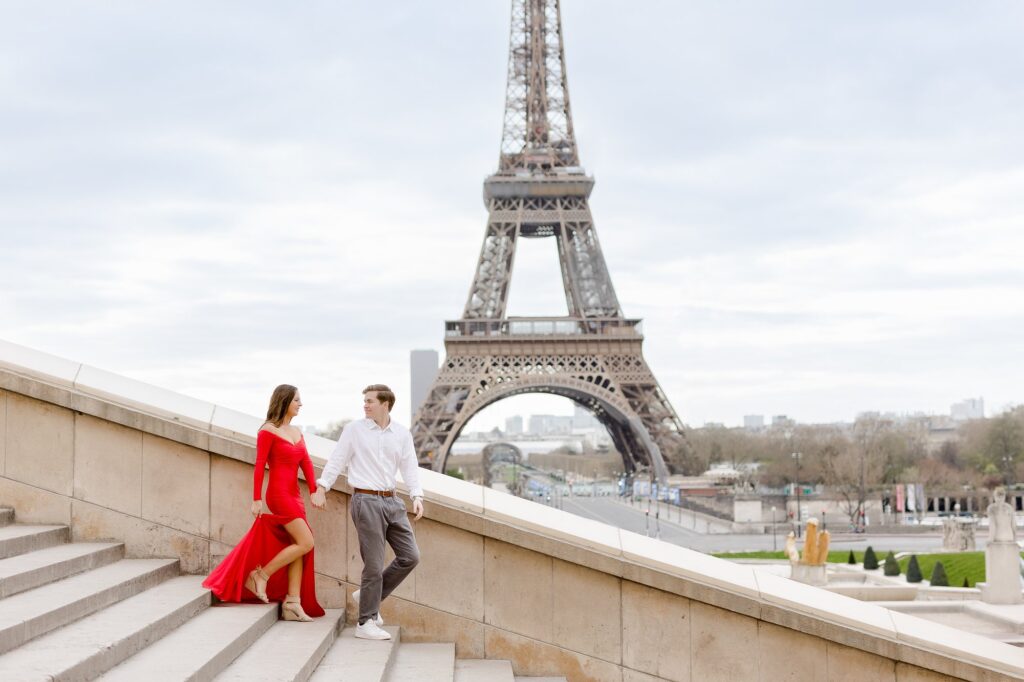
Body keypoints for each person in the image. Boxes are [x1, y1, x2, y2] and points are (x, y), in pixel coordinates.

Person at [310, 384, 423, 640]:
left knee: (411, 556)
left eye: (370, 401)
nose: (365, 405)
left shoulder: (402, 434)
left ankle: (368, 595)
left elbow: (410, 467)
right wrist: (321, 488)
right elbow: (337, 459)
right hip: (366, 500)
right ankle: (365, 622)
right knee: (373, 565)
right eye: (365, 401)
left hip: (393, 502)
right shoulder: (354, 430)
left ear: (385, 404)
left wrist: (417, 495)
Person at [203, 384, 325, 621]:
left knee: (298, 546)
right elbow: (259, 465)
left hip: (295, 496)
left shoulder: (297, 431)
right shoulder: (267, 431)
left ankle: (292, 603)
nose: (301, 404)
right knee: (306, 542)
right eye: (297, 400)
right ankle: (261, 575)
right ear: (285, 401)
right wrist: (256, 498)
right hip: (279, 495)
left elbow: (306, 463)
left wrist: (313, 491)